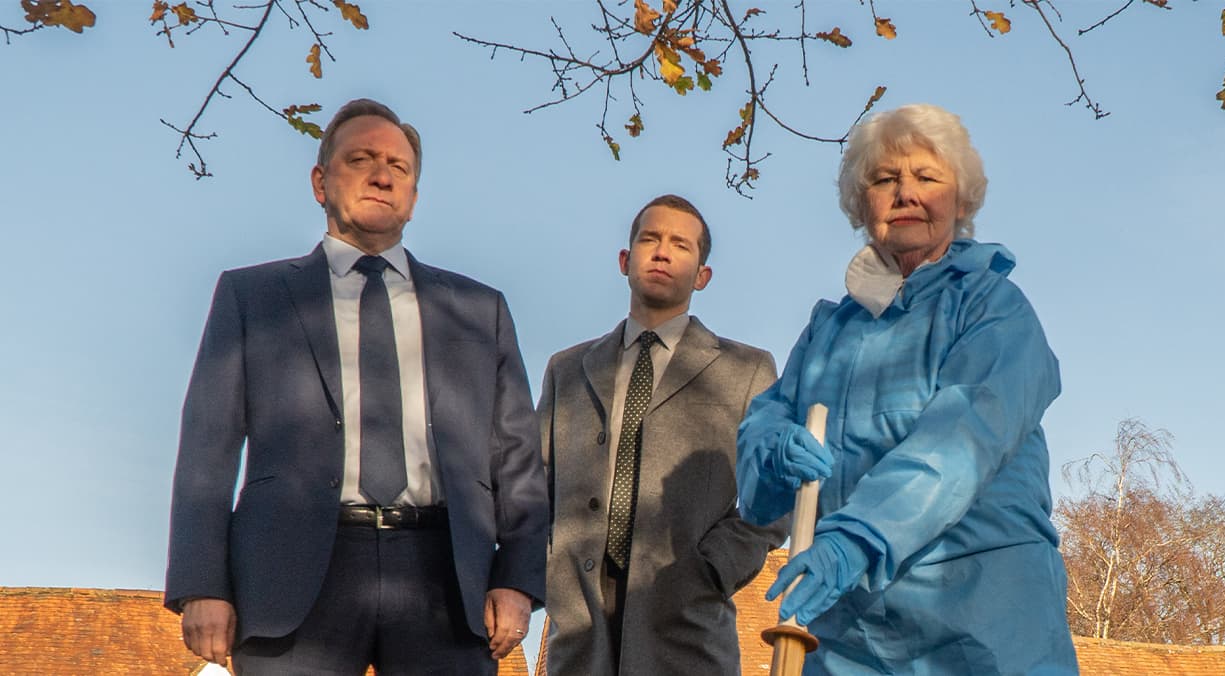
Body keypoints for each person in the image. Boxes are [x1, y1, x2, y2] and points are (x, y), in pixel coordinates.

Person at [164, 99, 547, 674]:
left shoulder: (478, 310)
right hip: (287, 577)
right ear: (320, 182)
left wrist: (517, 578)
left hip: (445, 578)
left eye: (399, 166)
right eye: (361, 159)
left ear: (413, 196)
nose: (382, 175)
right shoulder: (252, 298)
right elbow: (207, 448)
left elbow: (517, 459)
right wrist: (202, 584)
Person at [736, 103, 1079, 675]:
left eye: (927, 177)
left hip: (984, 625)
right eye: (884, 179)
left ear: (961, 201)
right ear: (860, 204)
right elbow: (763, 440)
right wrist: (770, 451)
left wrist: (856, 539)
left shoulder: (994, 308)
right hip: (847, 636)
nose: (906, 193)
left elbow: (963, 439)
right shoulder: (828, 330)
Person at [539, 195, 788, 675]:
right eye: (649, 239)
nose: (661, 252)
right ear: (624, 260)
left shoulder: (747, 370)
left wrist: (713, 569)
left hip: (686, 619)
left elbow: (775, 496)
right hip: (579, 621)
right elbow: (534, 491)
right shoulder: (566, 370)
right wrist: (548, 572)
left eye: (680, 244)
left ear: (702, 275)